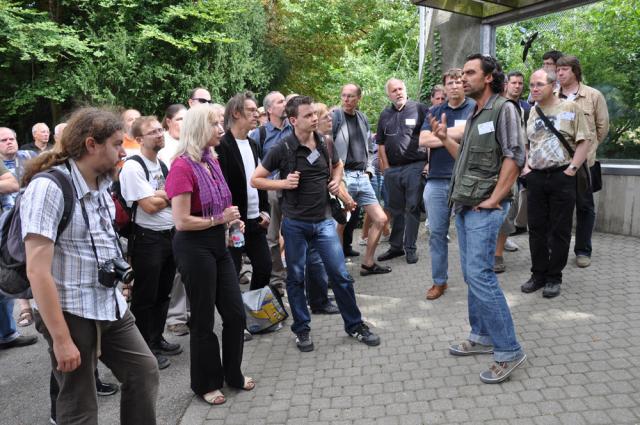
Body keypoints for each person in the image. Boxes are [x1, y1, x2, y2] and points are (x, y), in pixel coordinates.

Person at [22, 107, 159, 424]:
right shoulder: (50, 188)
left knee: (143, 371)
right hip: (69, 311)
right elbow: (36, 270)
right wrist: (61, 339)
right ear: (90, 145)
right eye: (115, 143)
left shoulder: (101, 183)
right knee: (80, 404)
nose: (123, 151)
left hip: (108, 304)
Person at [251, 95, 380, 352]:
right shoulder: (282, 148)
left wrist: (335, 180)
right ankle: (302, 330)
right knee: (296, 278)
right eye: (308, 115)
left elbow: (338, 165)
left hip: (323, 223)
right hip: (295, 224)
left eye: (314, 114)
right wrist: (283, 184)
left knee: (341, 275)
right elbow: (256, 180)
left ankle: (354, 325)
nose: (314, 118)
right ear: (293, 120)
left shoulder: (325, 143)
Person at [429, 54, 526, 384]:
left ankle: (509, 350)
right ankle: (482, 337)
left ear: (487, 77)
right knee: (473, 276)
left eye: (470, 73)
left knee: (481, 276)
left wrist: (495, 200)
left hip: (484, 209)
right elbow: (465, 161)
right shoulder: (475, 113)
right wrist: (444, 139)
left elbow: (515, 157)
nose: (463, 78)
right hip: (465, 206)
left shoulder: (504, 109)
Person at [166, 103, 254, 405]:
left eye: (221, 123)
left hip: (218, 244)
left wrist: (231, 223)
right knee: (203, 320)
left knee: (234, 313)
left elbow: (220, 208)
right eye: (216, 124)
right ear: (199, 129)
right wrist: (220, 220)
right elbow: (181, 221)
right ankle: (206, 382)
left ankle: (233, 373)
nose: (221, 129)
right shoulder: (181, 166)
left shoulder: (211, 160)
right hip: (194, 247)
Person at [521, 68, 592, 298]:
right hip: (537, 178)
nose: (534, 88)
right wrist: (526, 169)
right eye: (531, 84)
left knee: (559, 230)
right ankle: (538, 274)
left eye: (539, 84)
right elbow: (526, 143)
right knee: (536, 230)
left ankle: (554, 277)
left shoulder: (570, 108)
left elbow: (584, 141)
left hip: (562, 176)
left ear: (553, 85)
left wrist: (571, 169)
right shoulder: (531, 112)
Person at [120, 116, 182, 369]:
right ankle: (143, 348)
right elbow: (148, 205)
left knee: (163, 292)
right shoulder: (133, 167)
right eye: (152, 132)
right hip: (147, 238)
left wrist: (161, 194)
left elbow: (171, 196)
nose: (159, 134)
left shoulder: (163, 165)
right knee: (145, 296)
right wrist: (167, 194)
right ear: (139, 139)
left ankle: (156, 339)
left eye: (160, 130)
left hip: (170, 236)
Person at [419, 68, 475, 300]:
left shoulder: (474, 108)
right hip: (437, 180)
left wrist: (441, 135)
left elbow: (470, 132)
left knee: (468, 233)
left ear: (465, 85)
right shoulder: (434, 110)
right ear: (444, 87)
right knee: (437, 233)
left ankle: (473, 280)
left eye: (458, 82)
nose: (454, 86)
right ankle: (439, 282)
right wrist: (454, 135)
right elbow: (423, 140)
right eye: (449, 82)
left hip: (466, 179)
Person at [556, 54, 609, 268]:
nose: (559, 73)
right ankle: (555, 248)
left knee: (585, 207)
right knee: (558, 209)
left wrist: (588, 150)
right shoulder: (552, 95)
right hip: (557, 164)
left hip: (584, 164)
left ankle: (583, 250)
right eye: (558, 70)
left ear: (575, 71)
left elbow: (602, 127)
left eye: (564, 69)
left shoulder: (593, 95)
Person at [332, 83, 390, 275]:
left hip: (362, 177)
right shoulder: (335, 117)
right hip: (343, 176)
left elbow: (369, 146)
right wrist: (334, 177)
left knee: (381, 219)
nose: (346, 100)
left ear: (359, 98)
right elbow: (326, 145)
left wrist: (369, 170)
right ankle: (339, 272)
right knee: (340, 224)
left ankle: (368, 263)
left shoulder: (362, 118)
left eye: (351, 96)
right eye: (344, 96)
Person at [217, 92, 272, 290]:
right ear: (235, 113)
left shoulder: (253, 144)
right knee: (231, 272)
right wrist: (229, 219)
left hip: (256, 221)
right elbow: (221, 187)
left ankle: (253, 313)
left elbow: (260, 179)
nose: (257, 114)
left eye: (257, 111)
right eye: (250, 110)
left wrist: (266, 211)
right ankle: (234, 318)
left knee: (265, 268)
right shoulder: (222, 146)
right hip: (234, 223)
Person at [376, 79, 429, 264]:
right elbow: (380, 144)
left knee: (412, 207)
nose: (398, 92)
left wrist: (428, 163)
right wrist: (386, 168)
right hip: (393, 170)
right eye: (394, 90)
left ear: (406, 90)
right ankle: (396, 247)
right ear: (389, 95)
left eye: (401, 89)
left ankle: (410, 248)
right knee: (395, 209)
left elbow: (429, 135)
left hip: (415, 166)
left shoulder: (419, 109)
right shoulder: (385, 115)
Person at [248, 91, 292, 292]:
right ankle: (277, 281)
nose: (285, 103)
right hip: (272, 190)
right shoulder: (260, 134)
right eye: (280, 101)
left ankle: (297, 275)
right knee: (272, 237)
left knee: (295, 232)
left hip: (294, 189)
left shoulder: (295, 128)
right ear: (269, 109)